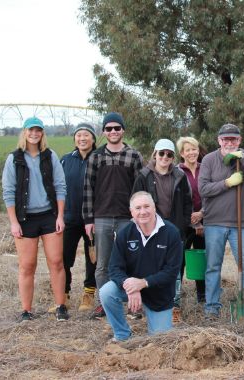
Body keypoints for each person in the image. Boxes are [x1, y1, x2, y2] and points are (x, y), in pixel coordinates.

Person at [1, 116, 68, 321]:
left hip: (49, 216)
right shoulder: (14, 159)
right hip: (24, 219)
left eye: (38, 130)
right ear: (24, 132)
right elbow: (8, 192)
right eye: (31, 130)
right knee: (27, 265)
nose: (34, 134)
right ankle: (26, 311)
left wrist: (60, 216)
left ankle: (61, 307)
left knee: (56, 262)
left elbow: (60, 187)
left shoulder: (50, 156)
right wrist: (13, 222)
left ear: (42, 133)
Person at [198, 123, 244, 318]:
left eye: (233, 139)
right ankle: (212, 307)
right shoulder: (210, 160)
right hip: (214, 222)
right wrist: (227, 183)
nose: (229, 142)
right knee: (213, 266)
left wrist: (242, 157)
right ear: (219, 140)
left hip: (240, 224)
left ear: (239, 140)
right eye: (225, 139)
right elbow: (203, 189)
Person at [83, 112, 143, 319]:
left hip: (128, 218)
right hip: (101, 217)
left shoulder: (134, 156)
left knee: (131, 261)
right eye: (109, 128)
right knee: (102, 265)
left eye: (117, 128)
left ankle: (132, 303)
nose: (113, 132)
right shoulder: (96, 157)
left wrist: (139, 215)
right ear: (104, 132)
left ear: (123, 130)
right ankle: (103, 303)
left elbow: (139, 189)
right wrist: (88, 219)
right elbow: (88, 189)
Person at [100, 191, 182, 342]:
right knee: (106, 292)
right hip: (131, 288)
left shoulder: (171, 233)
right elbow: (114, 268)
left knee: (160, 342)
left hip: (159, 295)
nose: (143, 212)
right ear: (131, 212)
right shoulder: (125, 233)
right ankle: (122, 335)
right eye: (138, 208)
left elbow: (171, 272)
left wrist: (143, 283)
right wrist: (130, 286)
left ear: (154, 208)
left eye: (146, 206)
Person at [133, 139, 192, 322]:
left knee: (174, 268)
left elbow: (187, 202)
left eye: (169, 154)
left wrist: (183, 224)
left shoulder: (179, 176)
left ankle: (174, 304)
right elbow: (136, 202)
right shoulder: (143, 176)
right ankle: (146, 303)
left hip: (174, 229)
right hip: (150, 229)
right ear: (155, 154)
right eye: (161, 153)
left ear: (173, 157)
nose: (165, 157)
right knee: (150, 266)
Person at [59, 123, 98, 313]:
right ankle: (63, 294)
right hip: (70, 218)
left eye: (86, 135)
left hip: (94, 219)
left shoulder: (100, 159)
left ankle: (89, 293)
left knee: (93, 258)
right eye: (79, 135)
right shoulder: (66, 160)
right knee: (64, 258)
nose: (82, 138)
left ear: (93, 139)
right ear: (75, 139)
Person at [176, 136, 206, 306]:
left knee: (202, 257)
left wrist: (201, 214)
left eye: (194, 149)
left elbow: (210, 195)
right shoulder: (177, 171)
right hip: (184, 223)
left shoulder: (205, 169)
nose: (192, 152)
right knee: (180, 259)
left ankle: (202, 296)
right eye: (187, 150)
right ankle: (176, 295)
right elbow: (177, 199)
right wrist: (191, 220)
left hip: (205, 219)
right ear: (182, 153)